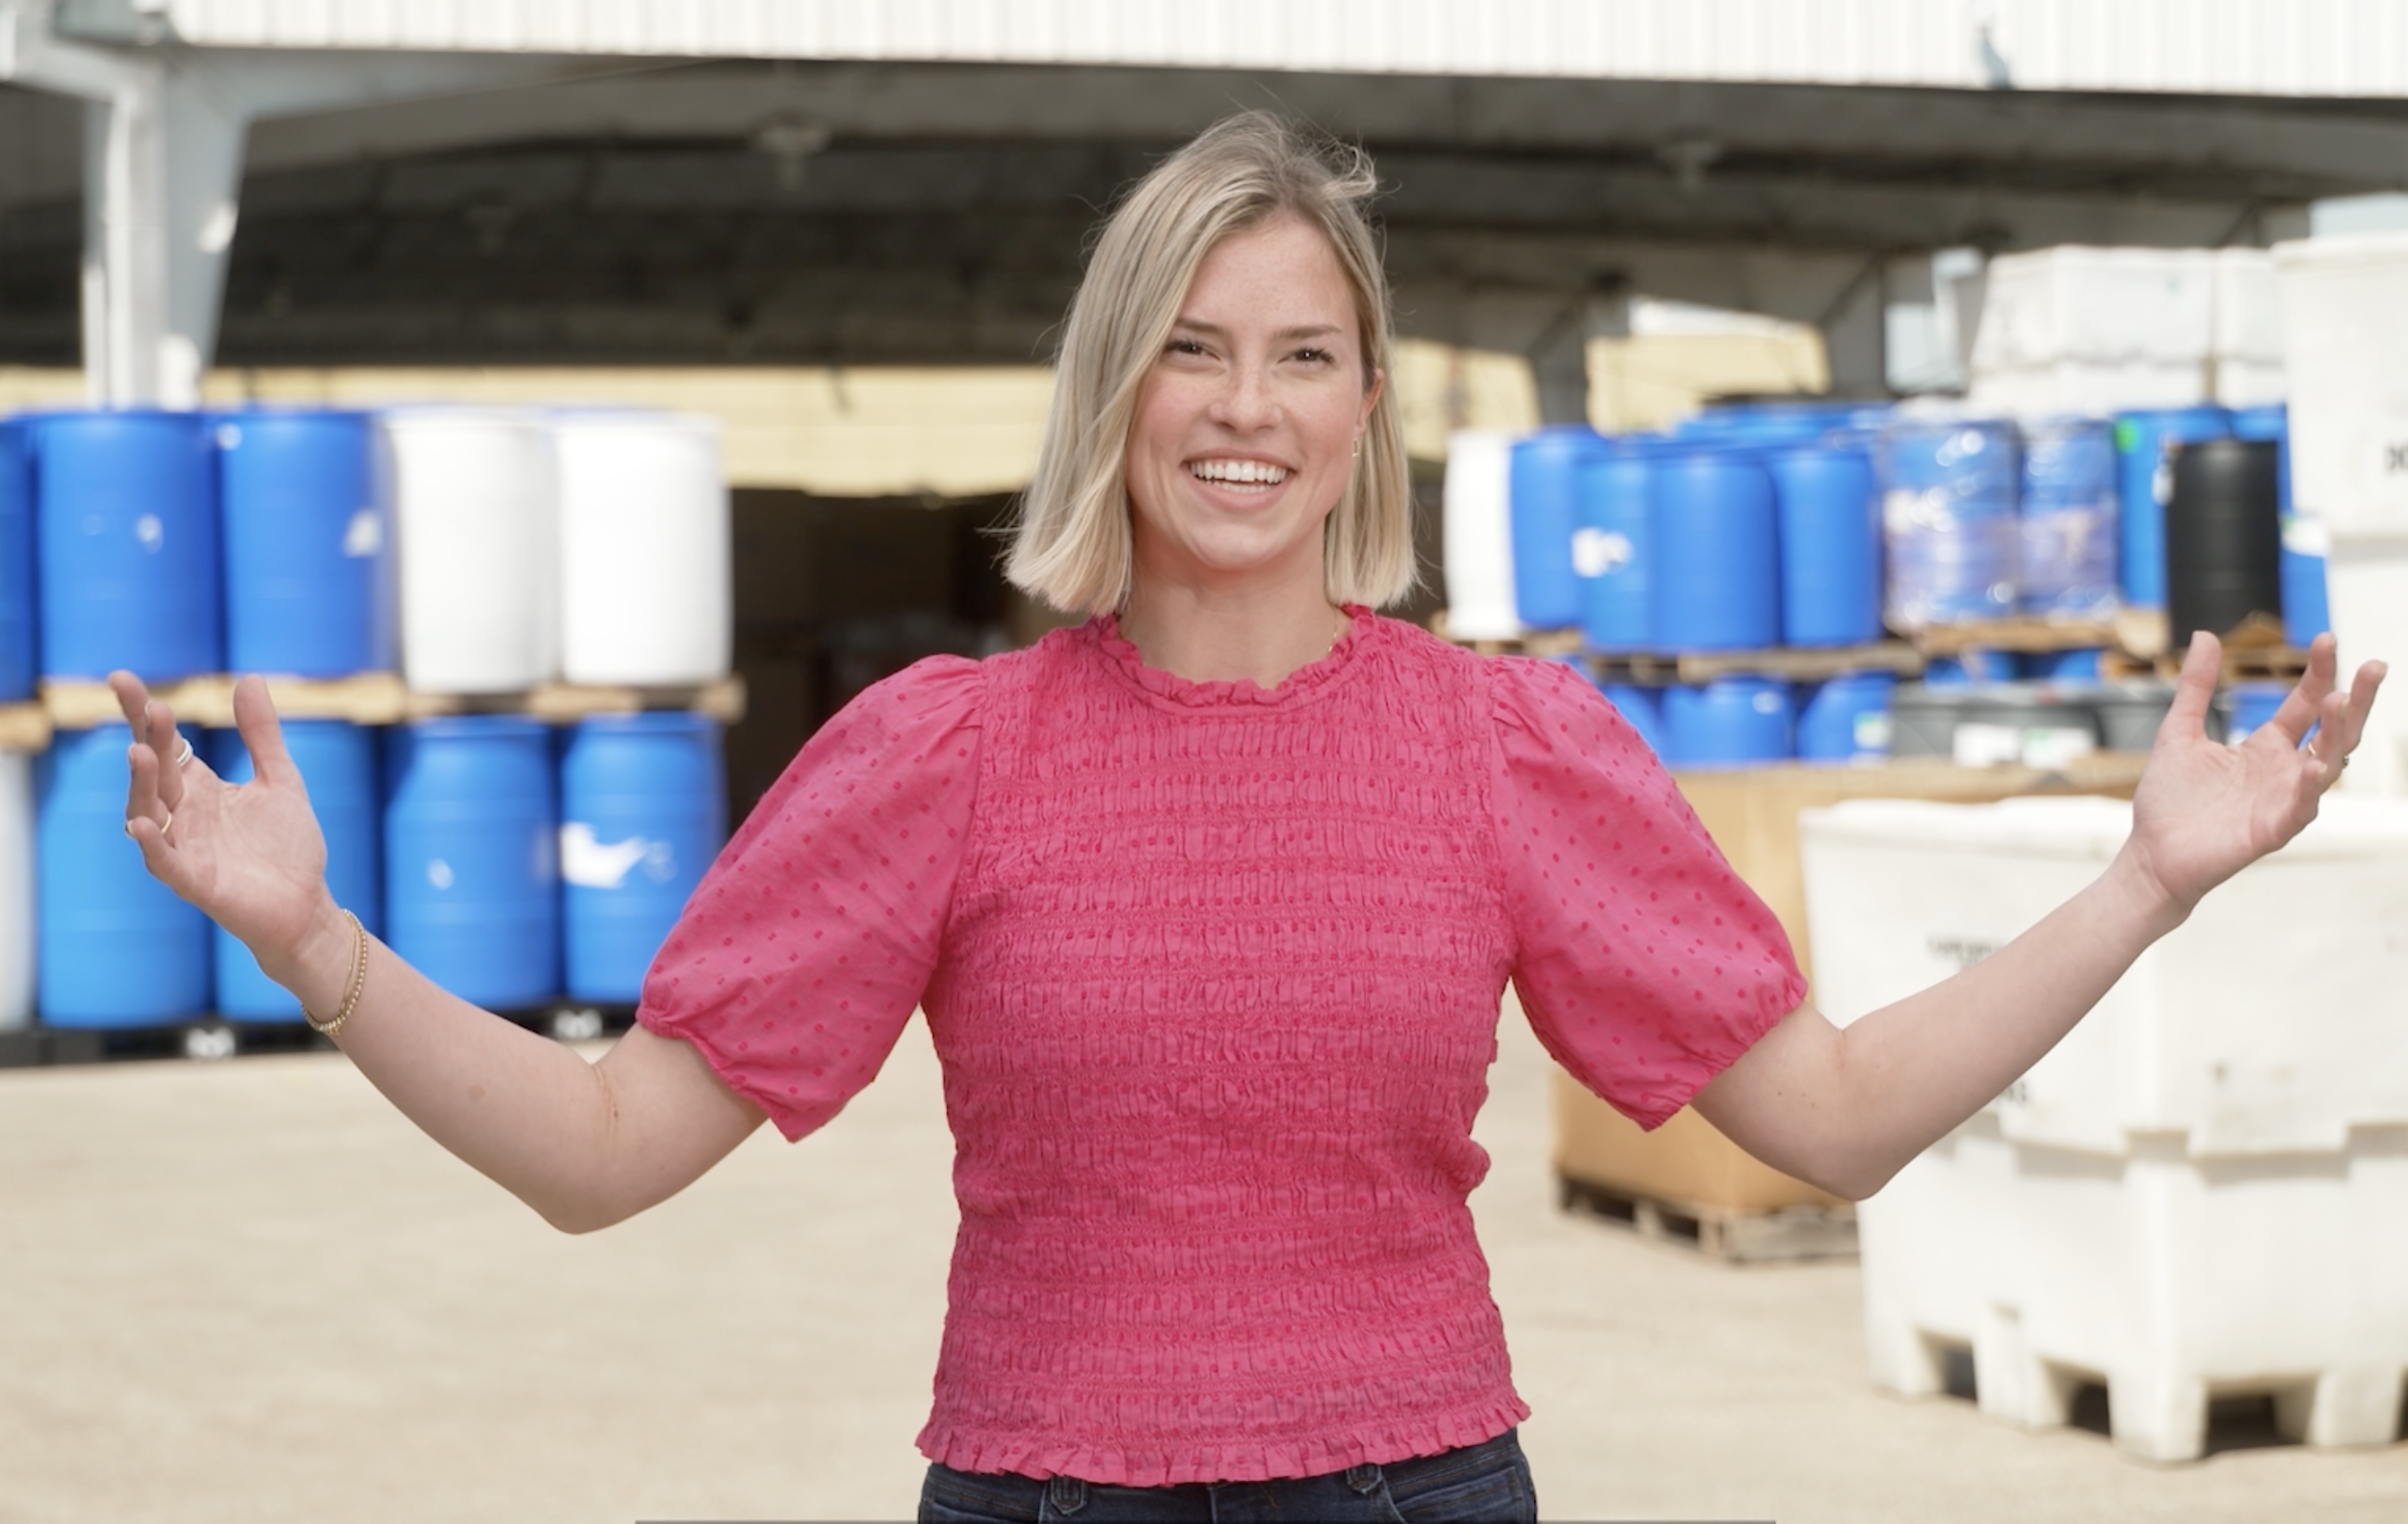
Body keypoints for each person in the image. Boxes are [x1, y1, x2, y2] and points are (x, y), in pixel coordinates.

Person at [112, 114, 2381, 1524]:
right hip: (1038, 1495)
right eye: (1191, 346)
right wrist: (318, 944)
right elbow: (606, 1151)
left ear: (1363, 404)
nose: (1244, 406)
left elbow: (1835, 1116)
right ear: (1112, 390)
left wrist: (2141, 880)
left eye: (1302, 353)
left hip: (1411, 1492)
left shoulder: (1498, 745)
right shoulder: (942, 751)